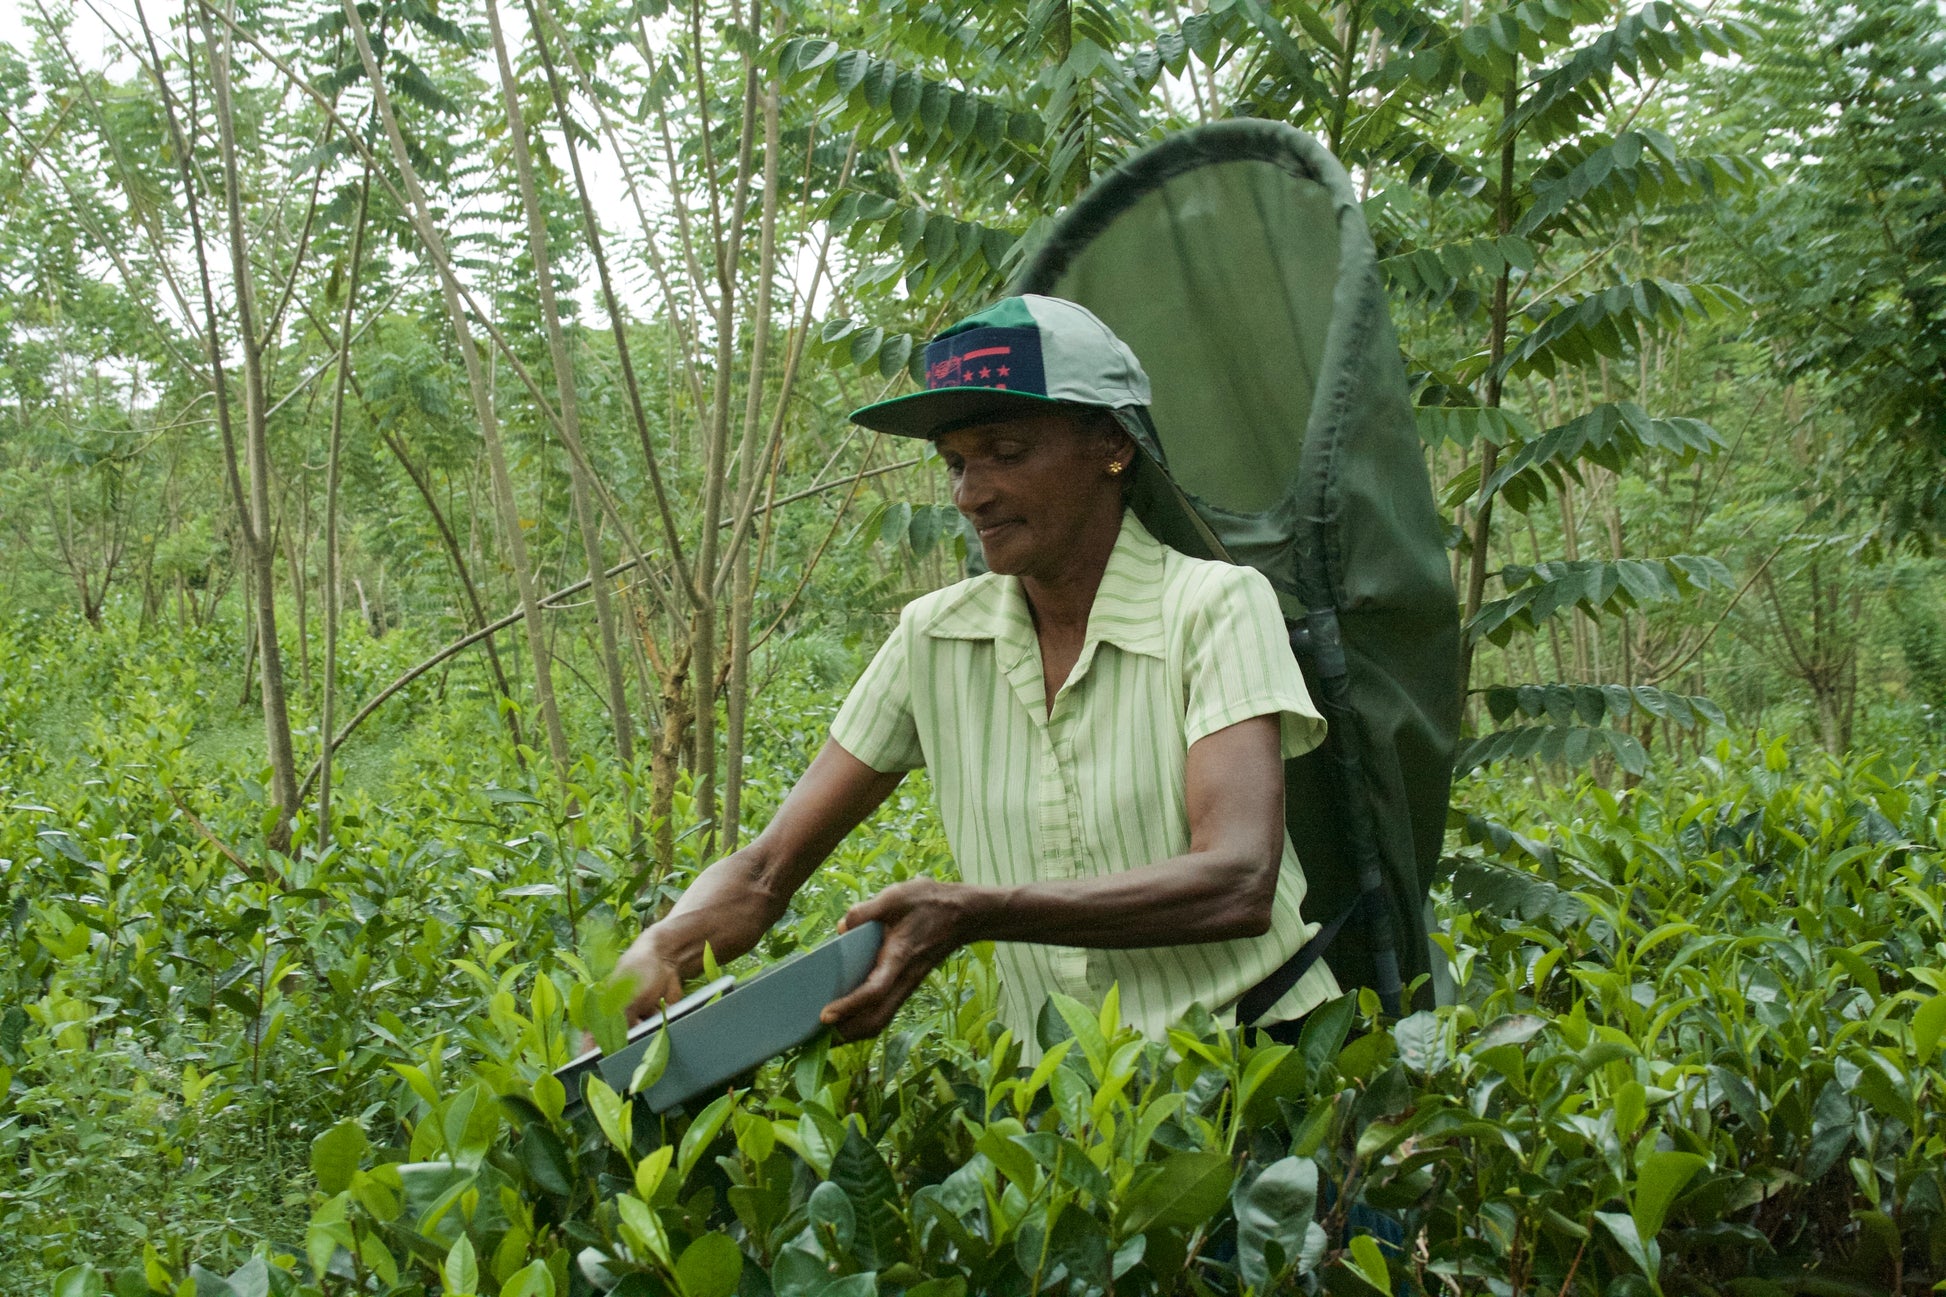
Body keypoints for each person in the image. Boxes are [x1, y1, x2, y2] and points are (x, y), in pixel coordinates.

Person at [609, 294, 1340, 1049]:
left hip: (1256, 1064)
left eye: (1007, 452)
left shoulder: (1213, 607)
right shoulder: (935, 637)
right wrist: (658, 952)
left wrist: (976, 910)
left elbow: (1238, 879)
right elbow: (765, 871)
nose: (970, 493)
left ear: (1113, 445)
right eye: (956, 462)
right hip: (1064, 1096)